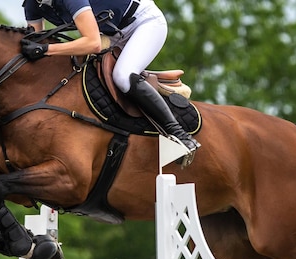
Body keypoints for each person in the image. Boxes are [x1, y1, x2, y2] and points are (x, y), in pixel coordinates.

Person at [20, 0, 201, 157]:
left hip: (143, 23)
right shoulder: (32, 4)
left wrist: (46, 51)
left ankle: (180, 135)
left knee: (122, 76)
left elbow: (92, 43)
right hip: (111, 33)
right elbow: (37, 43)